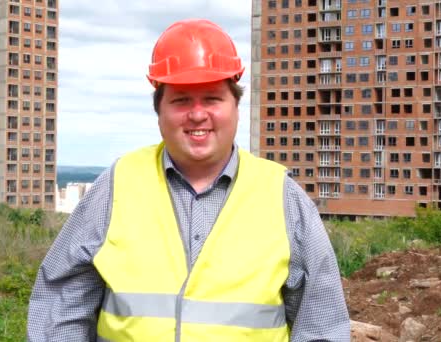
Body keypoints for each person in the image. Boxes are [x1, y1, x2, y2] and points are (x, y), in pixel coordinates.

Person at [27, 18, 350, 341]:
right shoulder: (117, 185)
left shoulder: (281, 197)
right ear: (160, 112)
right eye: (181, 100)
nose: (197, 114)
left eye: (211, 98)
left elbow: (321, 326)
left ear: (236, 107)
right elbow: (60, 305)